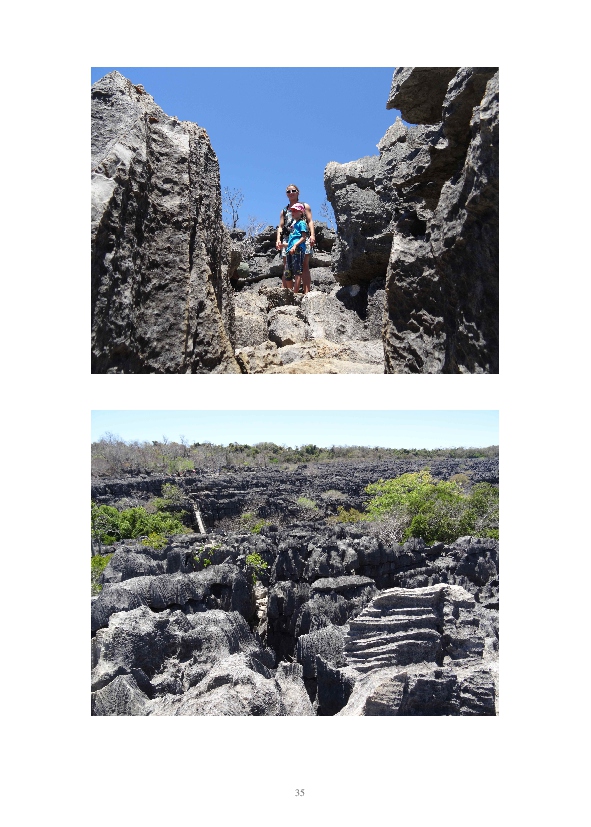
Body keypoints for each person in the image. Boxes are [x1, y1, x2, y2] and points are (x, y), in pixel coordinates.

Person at [275, 184, 315, 293]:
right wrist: (278, 239)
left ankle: (307, 293)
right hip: (288, 239)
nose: (291, 193)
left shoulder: (304, 206)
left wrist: (312, 235)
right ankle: (286, 294)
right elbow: (280, 226)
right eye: (288, 191)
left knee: (304, 266)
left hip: (302, 238)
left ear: (298, 192)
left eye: (293, 190)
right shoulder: (284, 210)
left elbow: (310, 221)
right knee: (287, 266)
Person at [284, 203, 308, 289]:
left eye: (295, 211)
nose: (292, 212)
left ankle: (295, 292)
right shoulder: (293, 225)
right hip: (290, 250)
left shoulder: (302, 223)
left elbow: (304, 237)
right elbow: (292, 240)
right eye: (292, 211)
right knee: (288, 272)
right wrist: (284, 245)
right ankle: (290, 291)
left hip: (298, 249)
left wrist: (295, 246)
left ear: (301, 212)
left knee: (297, 270)